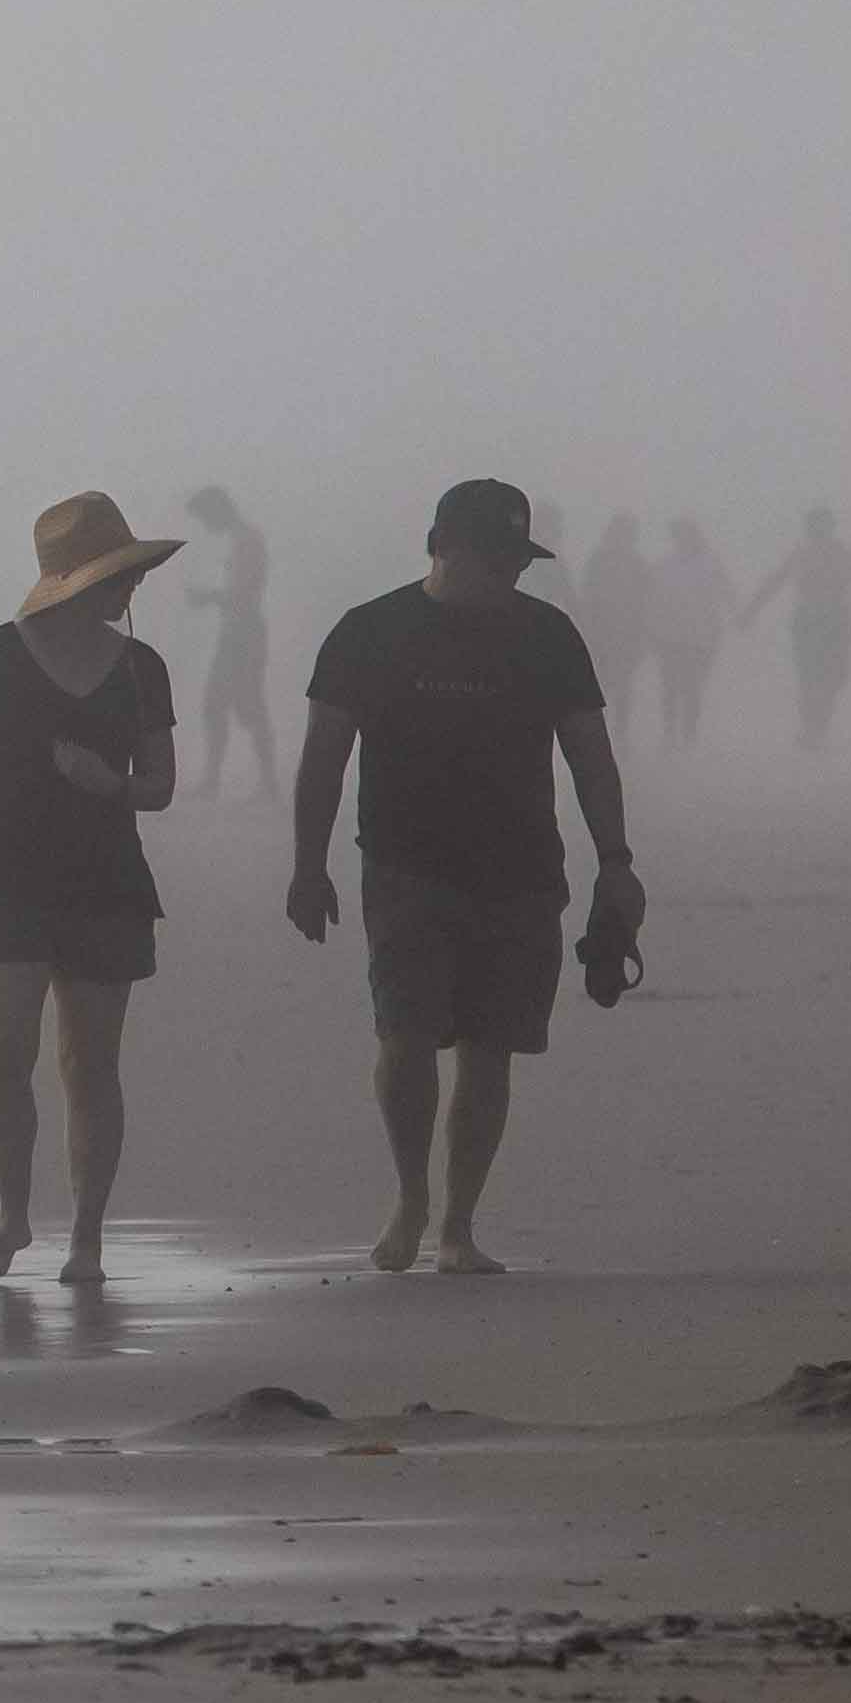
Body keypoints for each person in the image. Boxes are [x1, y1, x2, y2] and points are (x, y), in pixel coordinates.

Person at [290, 480, 639, 1276]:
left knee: (490, 1050)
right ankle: (411, 1196)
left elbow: (590, 754)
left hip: (521, 873)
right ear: (443, 544)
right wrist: (308, 865)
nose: (513, 571)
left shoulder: (549, 635)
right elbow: (323, 757)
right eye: (499, 556)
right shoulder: (368, 632)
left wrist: (616, 863)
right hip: (406, 867)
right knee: (404, 1036)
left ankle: (458, 1225)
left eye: (520, 557)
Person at [0, 494, 178, 1285]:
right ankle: (12, 1218)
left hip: (106, 884)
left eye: (132, 573)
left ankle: (87, 1236)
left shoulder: (141, 669)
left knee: (90, 1066)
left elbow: (160, 785)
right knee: (1, 1059)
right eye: (118, 574)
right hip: (3, 879)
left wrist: (107, 784)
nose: (130, 589)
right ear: (75, 580)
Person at [744, 507, 851, 753]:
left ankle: (819, 723)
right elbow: (775, 581)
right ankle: (811, 729)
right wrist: (751, 610)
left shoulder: (845, 553)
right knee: (808, 677)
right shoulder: (800, 555)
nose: (818, 531)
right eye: (814, 526)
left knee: (836, 676)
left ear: (830, 527)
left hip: (838, 622)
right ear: (809, 529)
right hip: (807, 622)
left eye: (823, 526)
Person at [173, 488, 274, 799]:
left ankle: (255, 784)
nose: (205, 526)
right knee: (231, 706)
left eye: (205, 517)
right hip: (240, 635)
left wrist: (206, 597)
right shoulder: (246, 541)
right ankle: (237, 782)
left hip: (242, 637)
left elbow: (243, 595)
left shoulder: (248, 543)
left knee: (239, 707)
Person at [644, 517, 733, 753]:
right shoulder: (665, 565)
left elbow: (726, 591)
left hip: (699, 636)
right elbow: (650, 598)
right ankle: (672, 732)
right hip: (671, 635)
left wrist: (733, 617)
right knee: (672, 685)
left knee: (691, 686)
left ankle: (687, 733)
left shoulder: (708, 564)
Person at [573, 513, 655, 716]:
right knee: (607, 681)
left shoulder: (636, 563)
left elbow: (645, 600)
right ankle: (607, 725)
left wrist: (643, 632)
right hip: (604, 631)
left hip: (626, 634)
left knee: (622, 683)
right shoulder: (601, 560)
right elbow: (589, 594)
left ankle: (619, 728)